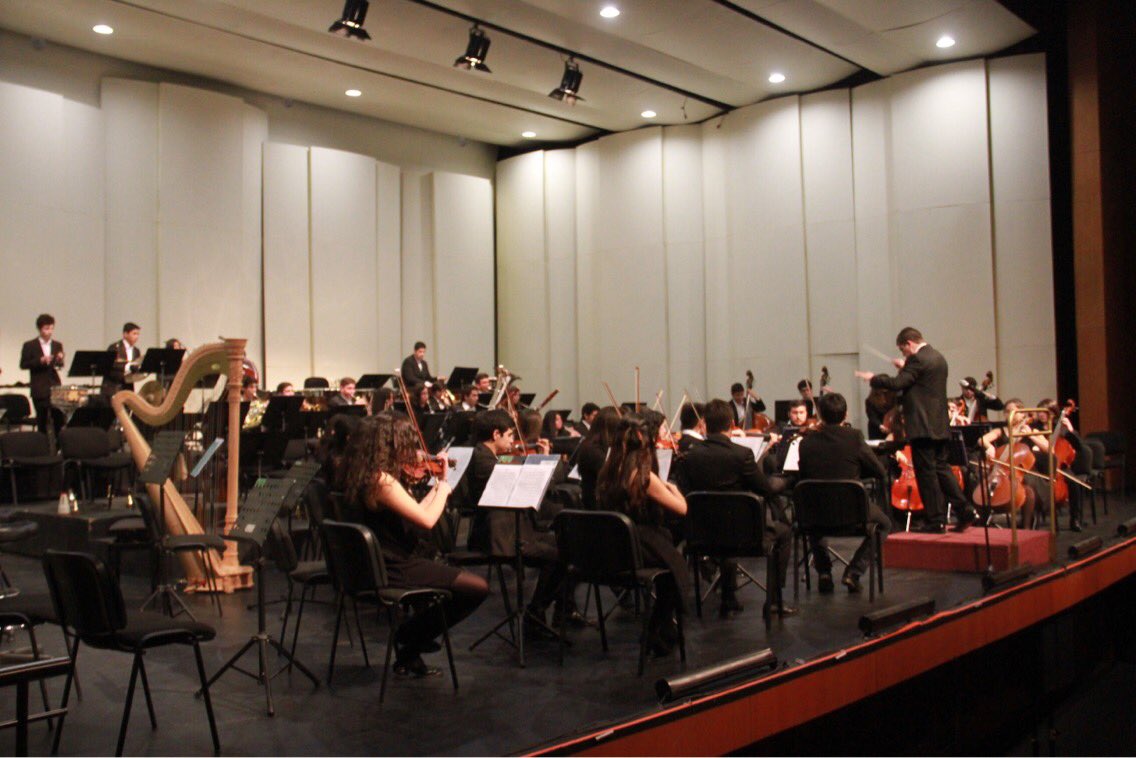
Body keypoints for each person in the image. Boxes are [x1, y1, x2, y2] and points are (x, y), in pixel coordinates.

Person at [340, 413, 488, 677]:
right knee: (476, 588)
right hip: (392, 566)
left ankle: (411, 645)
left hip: (375, 562)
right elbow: (427, 519)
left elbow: (416, 512)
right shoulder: (382, 481)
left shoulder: (362, 473)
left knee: (459, 584)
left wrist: (438, 483)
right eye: (406, 443)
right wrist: (443, 485)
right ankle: (407, 635)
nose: (413, 451)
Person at [672, 398, 793, 617]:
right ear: (731, 425)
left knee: (724, 527)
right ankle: (774, 600)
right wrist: (783, 481)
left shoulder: (689, 457)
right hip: (743, 534)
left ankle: (729, 598)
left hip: (702, 534)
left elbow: (685, 493)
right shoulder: (742, 455)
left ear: (705, 425)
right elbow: (765, 489)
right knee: (783, 533)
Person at [855, 327, 977, 534]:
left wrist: (873, 378)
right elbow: (919, 381)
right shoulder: (937, 357)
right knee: (942, 469)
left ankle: (935, 520)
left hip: (922, 425)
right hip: (938, 424)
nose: (904, 354)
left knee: (926, 473)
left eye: (903, 350)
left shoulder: (917, 360)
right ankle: (965, 510)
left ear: (909, 343)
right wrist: (905, 366)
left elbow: (897, 384)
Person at [456, 410, 569, 631]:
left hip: (513, 529)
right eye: (509, 435)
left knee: (567, 547)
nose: (512, 440)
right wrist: (542, 460)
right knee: (559, 557)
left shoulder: (491, 457)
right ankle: (535, 613)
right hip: (498, 535)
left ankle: (551, 611)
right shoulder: (484, 460)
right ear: (495, 434)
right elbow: (530, 475)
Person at [596, 416, 690, 657]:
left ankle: (661, 631)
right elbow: (682, 509)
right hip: (637, 544)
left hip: (611, 544)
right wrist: (674, 489)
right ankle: (656, 631)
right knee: (674, 564)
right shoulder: (642, 477)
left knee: (667, 563)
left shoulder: (607, 471)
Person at [797, 392, 892, 593]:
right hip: (853, 514)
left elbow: (804, 474)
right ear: (845, 415)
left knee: (813, 516)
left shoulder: (806, 442)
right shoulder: (855, 437)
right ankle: (854, 572)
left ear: (820, 414)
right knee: (884, 524)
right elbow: (879, 472)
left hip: (817, 514)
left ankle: (824, 572)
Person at [19, 313, 65, 437]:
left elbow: (60, 366)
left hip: (55, 386)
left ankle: (58, 447)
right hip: (39, 387)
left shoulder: (57, 345)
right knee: (42, 420)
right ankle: (43, 449)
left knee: (59, 420)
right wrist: (40, 361)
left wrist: (60, 360)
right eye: (46, 328)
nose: (49, 331)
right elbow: (23, 364)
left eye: (51, 328)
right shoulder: (30, 345)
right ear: (40, 329)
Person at [576, 406, 621, 509]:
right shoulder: (592, 450)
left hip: (608, 503)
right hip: (599, 507)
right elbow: (614, 478)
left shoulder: (604, 446)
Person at [101, 322, 142, 398]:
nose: (137, 337)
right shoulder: (114, 347)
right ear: (125, 334)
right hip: (113, 387)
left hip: (128, 387)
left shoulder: (136, 350)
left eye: (138, 334)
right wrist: (128, 367)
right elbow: (109, 365)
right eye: (134, 334)